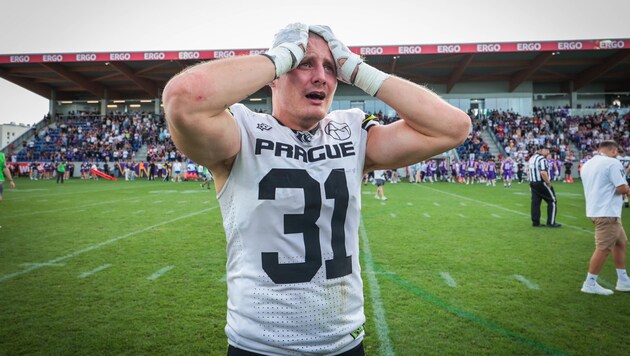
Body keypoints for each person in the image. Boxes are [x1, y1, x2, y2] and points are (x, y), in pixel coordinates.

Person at [163, 23, 470, 355]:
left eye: (330, 67)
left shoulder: (351, 133)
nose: (321, 77)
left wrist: (358, 69)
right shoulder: (242, 133)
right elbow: (184, 98)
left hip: (344, 344)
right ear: (275, 73)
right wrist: (282, 56)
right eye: (304, 63)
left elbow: (453, 127)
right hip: (259, 346)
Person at [580, 140, 630, 295]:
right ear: (613, 150)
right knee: (603, 248)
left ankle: (623, 280)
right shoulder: (612, 163)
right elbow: (621, 188)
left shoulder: (588, 163)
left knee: (621, 242)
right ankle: (590, 283)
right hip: (607, 211)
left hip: (596, 209)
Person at [528, 145, 561, 227]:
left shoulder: (532, 158)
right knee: (552, 200)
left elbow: (529, 172)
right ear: (541, 150)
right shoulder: (542, 159)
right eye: (546, 150)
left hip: (533, 183)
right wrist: (548, 182)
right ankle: (551, 222)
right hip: (542, 183)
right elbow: (543, 172)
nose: (548, 152)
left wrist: (530, 182)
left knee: (535, 203)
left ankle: (535, 222)